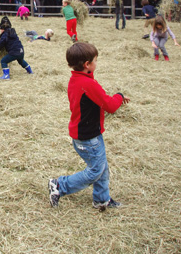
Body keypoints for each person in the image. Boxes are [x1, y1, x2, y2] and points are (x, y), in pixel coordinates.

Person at [48, 42, 129, 209]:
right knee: (95, 171)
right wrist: (119, 96)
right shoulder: (88, 84)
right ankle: (59, 185)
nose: (96, 63)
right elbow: (111, 106)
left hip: (85, 134)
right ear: (87, 65)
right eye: (95, 60)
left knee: (101, 168)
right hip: (88, 137)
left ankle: (101, 200)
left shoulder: (76, 80)